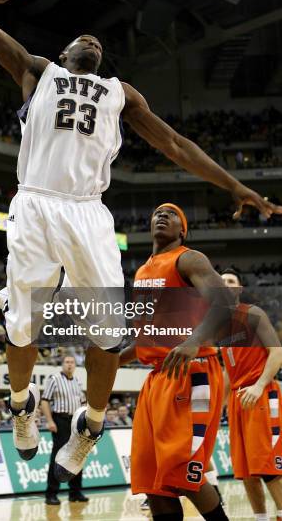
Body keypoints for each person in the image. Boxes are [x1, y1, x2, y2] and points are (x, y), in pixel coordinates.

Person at [0, 0, 282, 482]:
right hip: (34, 204)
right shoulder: (38, 72)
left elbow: (176, 145)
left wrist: (233, 186)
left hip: (89, 212)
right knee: (23, 323)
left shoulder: (121, 94)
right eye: (82, 39)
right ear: (65, 51)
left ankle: (90, 429)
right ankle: (21, 406)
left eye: (99, 41)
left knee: (109, 333)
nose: (93, 40)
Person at [119, 203, 231, 520]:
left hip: (193, 371)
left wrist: (194, 341)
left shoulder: (188, 259)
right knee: (153, 480)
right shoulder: (142, 272)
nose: (162, 215)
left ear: (182, 229)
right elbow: (146, 337)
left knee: (183, 469)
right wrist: (114, 360)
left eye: (171, 214)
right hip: (157, 378)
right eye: (157, 212)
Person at [221, 269, 282, 521]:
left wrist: (258, 386)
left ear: (239, 288)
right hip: (238, 400)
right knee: (246, 471)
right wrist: (222, 403)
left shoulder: (253, 313)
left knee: (269, 468)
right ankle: (261, 518)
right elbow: (228, 370)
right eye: (220, 281)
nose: (224, 284)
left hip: (261, 395)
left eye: (230, 281)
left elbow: (277, 352)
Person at [41, 356, 88, 505]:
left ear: (75, 365)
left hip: (75, 421)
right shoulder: (54, 379)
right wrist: (49, 420)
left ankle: (75, 492)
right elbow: (44, 400)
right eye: (67, 362)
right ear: (62, 364)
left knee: (77, 456)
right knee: (58, 457)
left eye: (72, 362)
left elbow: (83, 402)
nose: (69, 364)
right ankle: (51, 494)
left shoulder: (78, 381)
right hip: (60, 420)